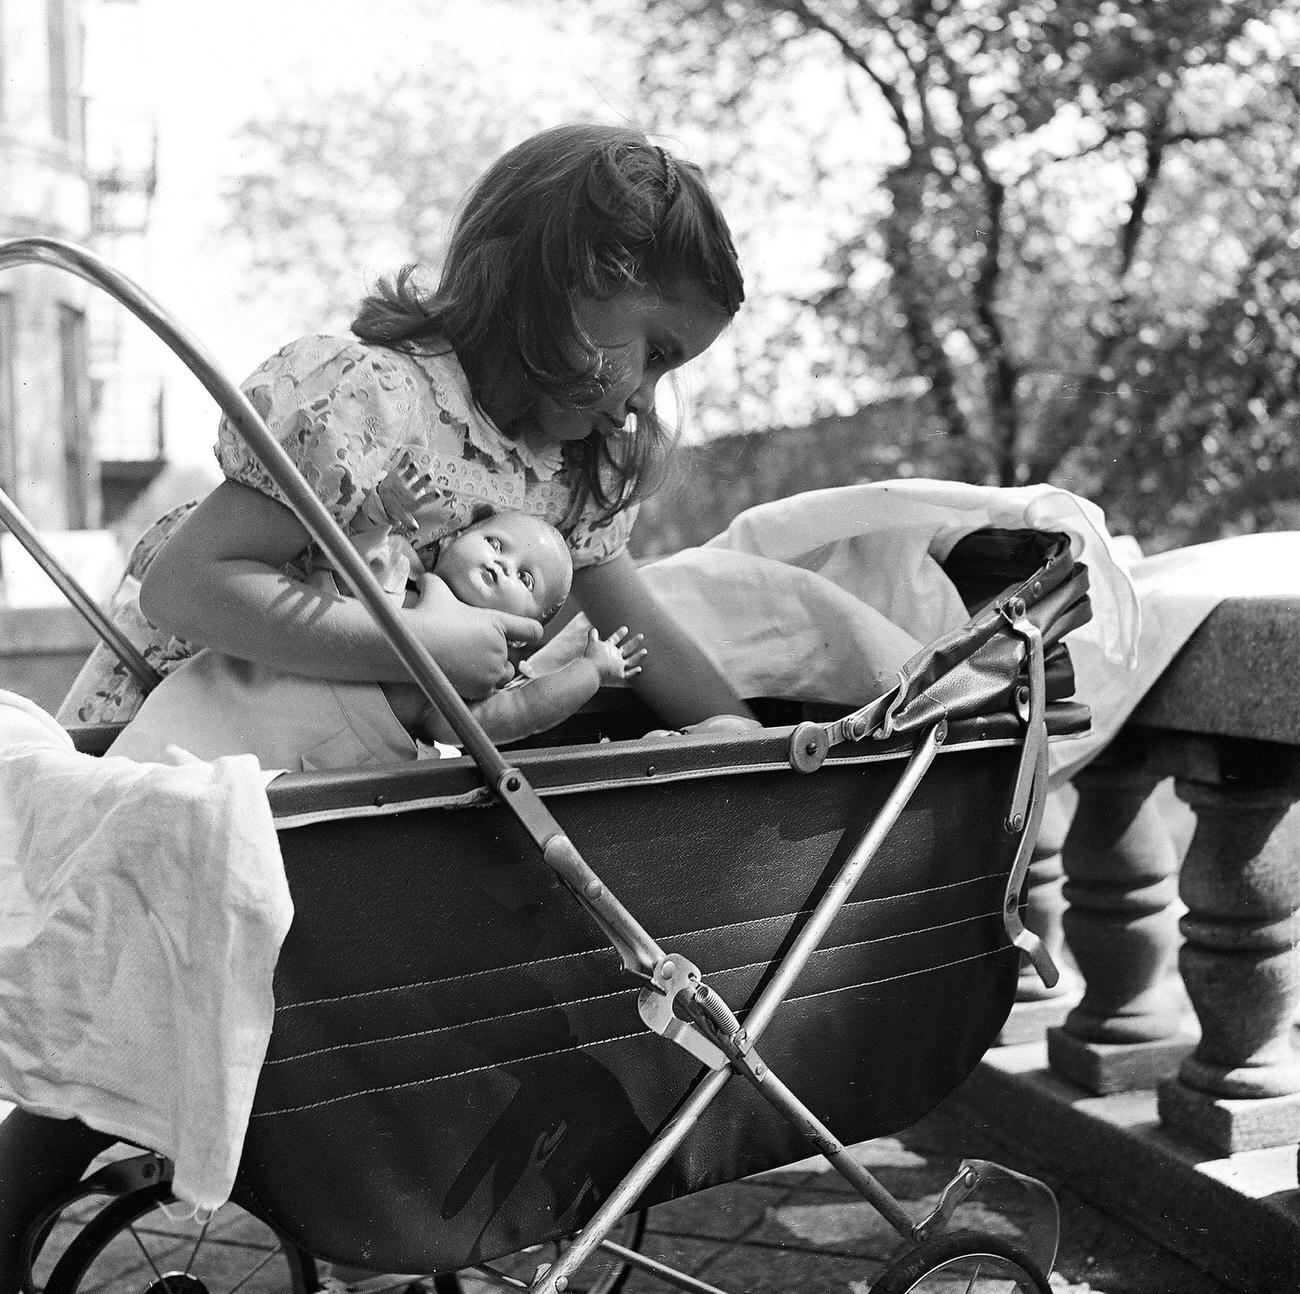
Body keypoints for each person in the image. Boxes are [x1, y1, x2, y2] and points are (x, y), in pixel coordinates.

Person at [2, 120, 760, 1292]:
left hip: (355, 775)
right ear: (571, 278)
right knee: (152, 969)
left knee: (331, 975)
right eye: (650, 349)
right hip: (220, 726)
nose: (641, 395)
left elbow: (628, 621)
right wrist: (421, 639)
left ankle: (373, 1198)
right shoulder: (376, 401)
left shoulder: (562, 471)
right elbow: (191, 584)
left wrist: (740, 739)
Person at [105, 509, 648, 769]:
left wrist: (590, 672)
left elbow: (513, 715)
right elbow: (337, 553)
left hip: (296, 763)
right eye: (495, 542)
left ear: (533, 626)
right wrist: (382, 512)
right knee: (152, 764)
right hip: (245, 691)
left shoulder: (477, 672)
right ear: (457, 540)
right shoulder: (396, 574)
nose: (503, 564)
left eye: (525, 579)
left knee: (222, 815)